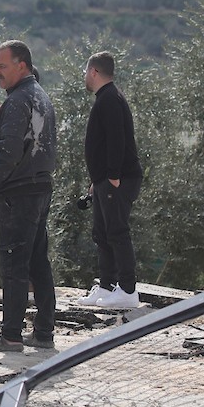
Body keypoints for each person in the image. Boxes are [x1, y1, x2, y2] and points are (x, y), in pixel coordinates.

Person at [0, 40, 57, 352]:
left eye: (2, 66)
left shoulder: (18, 100)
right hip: (39, 187)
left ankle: (10, 334)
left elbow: (9, 149)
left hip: (19, 191)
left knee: (14, 264)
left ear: (21, 65)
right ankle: (44, 332)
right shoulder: (39, 96)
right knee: (38, 262)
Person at [77, 51, 143, 309]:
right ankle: (106, 286)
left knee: (117, 232)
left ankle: (127, 290)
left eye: (86, 71)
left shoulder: (110, 100)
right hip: (104, 181)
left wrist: (113, 176)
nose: (85, 77)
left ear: (94, 71)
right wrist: (97, 180)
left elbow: (117, 139)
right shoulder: (105, 98)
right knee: (102, 233)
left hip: (119, 179)